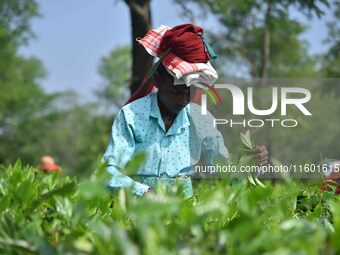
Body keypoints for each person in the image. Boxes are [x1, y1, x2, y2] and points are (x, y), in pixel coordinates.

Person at [102, 24, 268, 198]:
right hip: (138, 209)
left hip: (184, 209)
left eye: (189, 93)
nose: (182, 101)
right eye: (175, 92)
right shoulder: (132, 115)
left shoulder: (200, 119)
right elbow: (107, 173)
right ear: (158, 81)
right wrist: (144, 193)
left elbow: (224, 171)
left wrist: (249, 164)